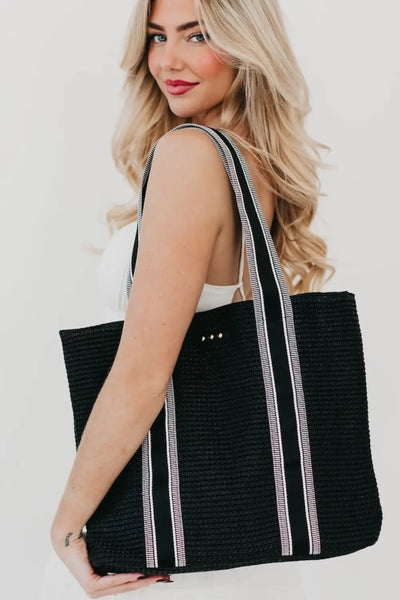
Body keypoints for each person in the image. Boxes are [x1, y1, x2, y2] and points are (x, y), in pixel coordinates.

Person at [47, 0, 335, 597]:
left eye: (196, 35)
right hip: (237, 543)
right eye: (157, 37)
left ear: (247, 44)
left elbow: (144, 373)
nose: (167, 61)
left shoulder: (191, 155)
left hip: (159, 543)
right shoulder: (253, 160)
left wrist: (68, 525)